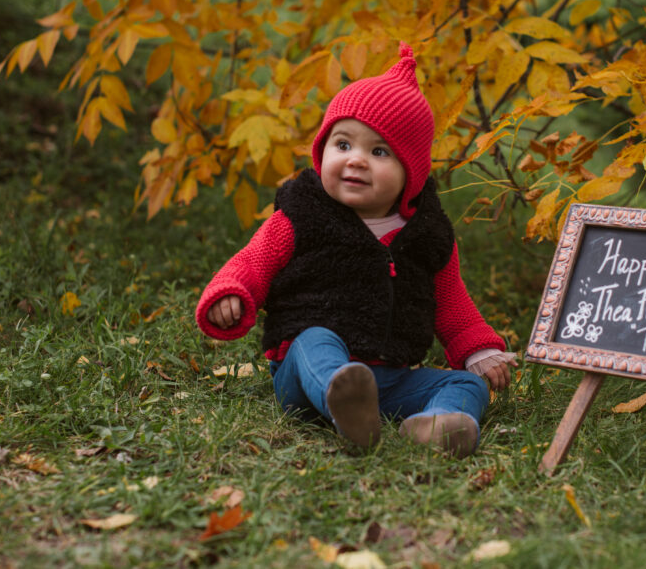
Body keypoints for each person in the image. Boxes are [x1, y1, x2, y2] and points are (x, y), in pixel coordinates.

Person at [195, 43, 517, 458]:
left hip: (391, 380)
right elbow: (254, 260)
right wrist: (232, 291)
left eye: (379, 152)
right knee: (314, 338)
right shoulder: (303, 215)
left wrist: (478, 349)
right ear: (322, 149)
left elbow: (451, 301)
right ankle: (339, 394)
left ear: (411, 173)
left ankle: (439, 427)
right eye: (343, 145)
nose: (357, 160)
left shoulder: (426, 234)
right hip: (304, 375)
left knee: (464, 384)